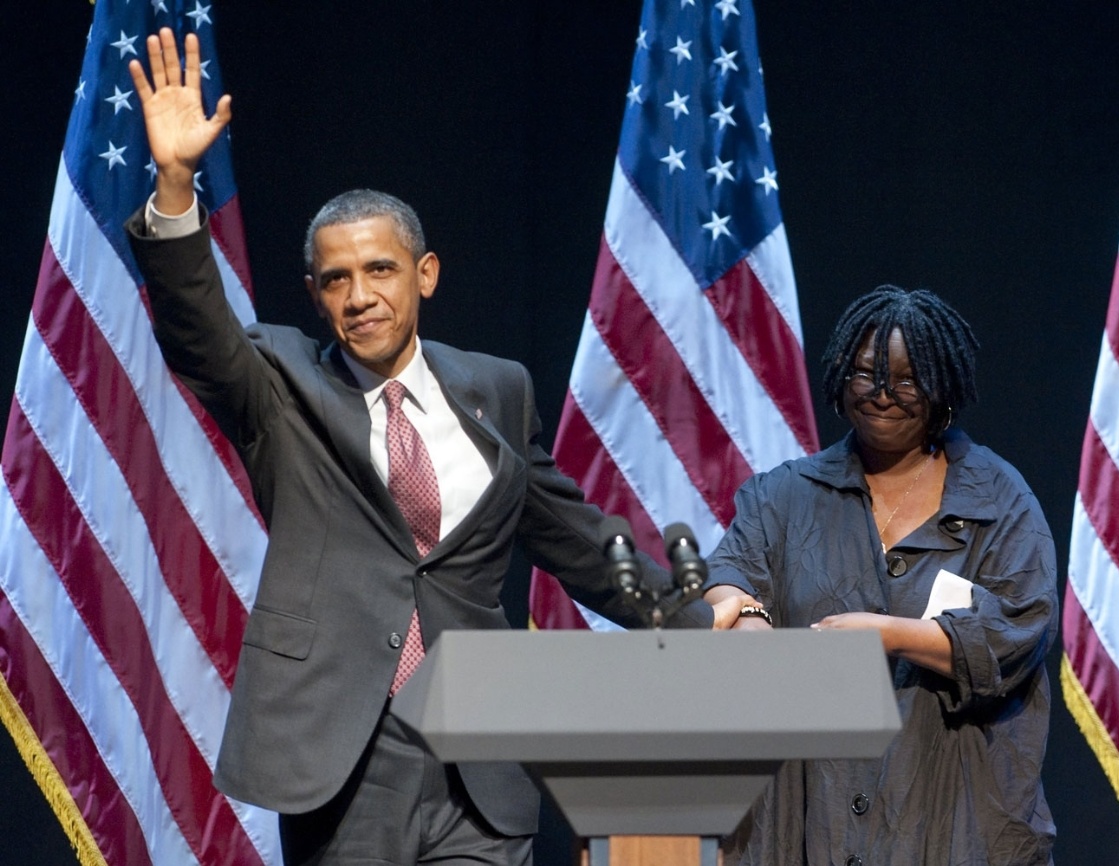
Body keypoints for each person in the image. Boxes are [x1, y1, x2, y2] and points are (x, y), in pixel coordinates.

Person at [125, 28, 681, 866]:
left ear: (424, 275)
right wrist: (174, 184)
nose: (360, 298)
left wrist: (694, 616)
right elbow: (201, 335)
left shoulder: (497, 388)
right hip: (344, 755)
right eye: (337, 280)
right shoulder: (281, 385)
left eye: (379, 271)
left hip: (480, 753)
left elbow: (570, 535)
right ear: (313, 295)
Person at [703, 286, 1058, 865]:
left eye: (908, 379)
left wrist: (887, 634)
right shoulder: (786, 495)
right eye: (866, 374)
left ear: (944, 386)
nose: (882, 395)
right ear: (842, 376)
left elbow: (1020, 629)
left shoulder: (1000, 499)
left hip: (951, 815)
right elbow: (729, 572)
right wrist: (744, 615)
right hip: (807, 806)